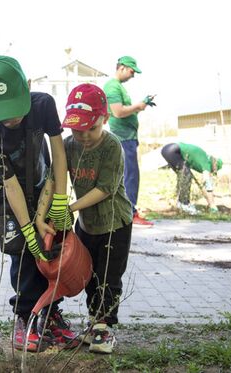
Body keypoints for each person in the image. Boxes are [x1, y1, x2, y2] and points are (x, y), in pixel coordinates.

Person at [0, 55, 77, 352]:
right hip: (12, 200)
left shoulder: (43, 105)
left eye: (15, 110)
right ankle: (25, 316)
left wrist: (60, 200)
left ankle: (50, 314)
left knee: (50, 248)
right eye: (3, 113)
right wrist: (26, 224)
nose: (10, 119)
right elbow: (9, 184)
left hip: (45, 189)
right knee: (22, 254)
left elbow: (59, 154)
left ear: (28, 86)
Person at [59, 83, 133, 354]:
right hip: (87, 225)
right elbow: (56, 177)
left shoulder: (112, 146)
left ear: (105, 119)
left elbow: (105, 188)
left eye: (92, 128)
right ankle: (95, 324)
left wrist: (71, 207)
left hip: (115, 223)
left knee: (108, 277)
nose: (85, 136)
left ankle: (105, 328)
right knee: (88, 274)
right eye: (78, 129)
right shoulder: (68, 146)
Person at [104, 56, 156, 227]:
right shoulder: (112, 86)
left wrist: (142, 105)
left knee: (128, 175)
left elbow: (125, 111)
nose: (132, 76)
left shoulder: (119, 87)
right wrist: (138, 106)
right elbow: (117, 112)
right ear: (122, 68)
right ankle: (130, 213)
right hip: (123, 138)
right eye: (132, 72)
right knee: (130, 176)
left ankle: (125, 212)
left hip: (128, 137)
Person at [160, 142, 223, 215]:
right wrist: (212, 205)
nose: (211, 172)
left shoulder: (203, 157)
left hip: (169, 149)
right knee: (186, 175)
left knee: (183, 175)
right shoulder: (206, 162)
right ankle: (184, 204)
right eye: (213, 170)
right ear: (214, 165)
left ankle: (180, 203)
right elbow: (208, 185)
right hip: (173, 151)